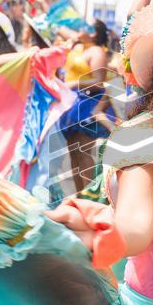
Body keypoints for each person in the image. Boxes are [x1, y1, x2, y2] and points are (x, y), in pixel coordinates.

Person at [57, 20, 111, 192]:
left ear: (94, 34)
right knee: (74, 151)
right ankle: (81, 195)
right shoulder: (79, 47)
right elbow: (59, 26)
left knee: (83, 151)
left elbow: (99, 81)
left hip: (87, 104)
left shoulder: (96, 51)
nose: (79, 28)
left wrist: (74, 83)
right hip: (73, 104)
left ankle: (90, 197)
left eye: (84, 27)